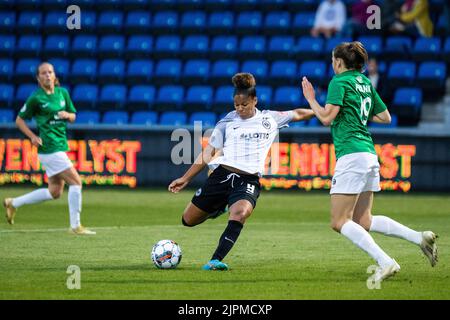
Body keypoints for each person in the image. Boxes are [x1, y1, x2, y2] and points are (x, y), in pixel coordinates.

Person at [301, 42, 438, 282]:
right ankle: (419, 237)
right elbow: (386, 117)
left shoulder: (339, 81)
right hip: (369, 154)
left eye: (333, 60)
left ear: (339, 62)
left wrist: (311, 99)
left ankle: (386, 262)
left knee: (338, 221)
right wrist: (356, 113)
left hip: (352, 155)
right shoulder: (364, 83)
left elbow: (325, 118)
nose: (332, 64)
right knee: (363, 220)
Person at [168, 73, 315, 271]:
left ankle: (215, 260)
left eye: (244, 105)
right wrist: (185, 178)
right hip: (221, 175)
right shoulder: (227, 122)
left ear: (255, 100)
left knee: (240, 212)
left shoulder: (269, 118)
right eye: (236, 105)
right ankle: (219, 208)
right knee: (188, 220)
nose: (240, 109)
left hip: (248, 180)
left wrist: (320, 109)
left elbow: (297, 114)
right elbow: (208, 152)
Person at [3, 62, 95, 235]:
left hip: (60, 145)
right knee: (76, 182)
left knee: (55, 192)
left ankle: (13, 203)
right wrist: (31, 136)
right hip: (50, 148)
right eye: (43, 73)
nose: (47, 75)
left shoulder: (63, 93)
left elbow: (73, 116)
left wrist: (67, 115)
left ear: (54, 75)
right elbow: (19, 120)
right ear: (38, 78)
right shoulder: (36, 98)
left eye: (50, 72)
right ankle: (76, 226)